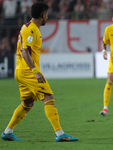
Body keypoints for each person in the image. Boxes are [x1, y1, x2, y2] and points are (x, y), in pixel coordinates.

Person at [1, 2, 78, 142]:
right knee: (48, 97)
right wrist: (36, 71)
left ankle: (7, 132)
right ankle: (60, 134)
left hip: (21, 71)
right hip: (27, 72)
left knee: (27, 103)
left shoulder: (28, 27)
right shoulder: (31, 30)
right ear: (43, 15)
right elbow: (25, 52)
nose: (47, 17)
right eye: (47, 15)